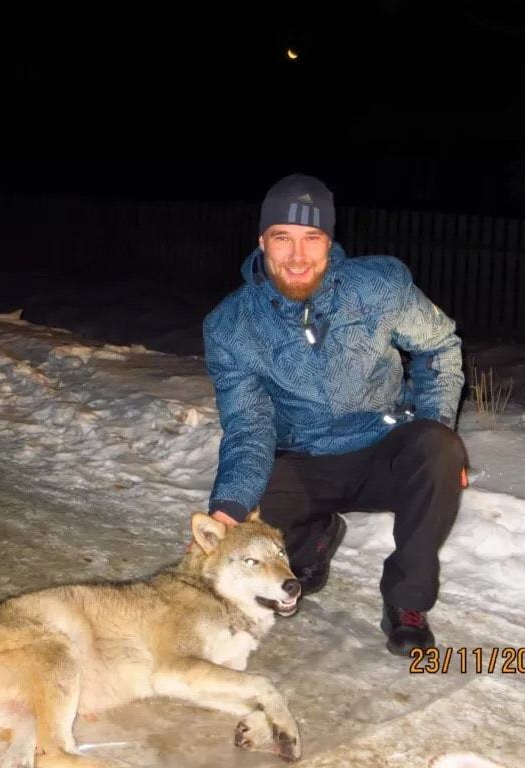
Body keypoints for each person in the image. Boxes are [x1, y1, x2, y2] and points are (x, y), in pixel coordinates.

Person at [202, 173, 468, 656]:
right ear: (262, 241)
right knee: (250, 517)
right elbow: (249, 424)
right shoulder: (231, 326)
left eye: (312, 239)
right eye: (283, 238)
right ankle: (311, 538)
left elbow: (439, 349)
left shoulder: (378, 288)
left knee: (439, 450)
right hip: (301, 459)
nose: (298, 256)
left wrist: (435, 422)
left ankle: (407, 604)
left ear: (330, 242)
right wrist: (229, 508)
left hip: (381, 448)